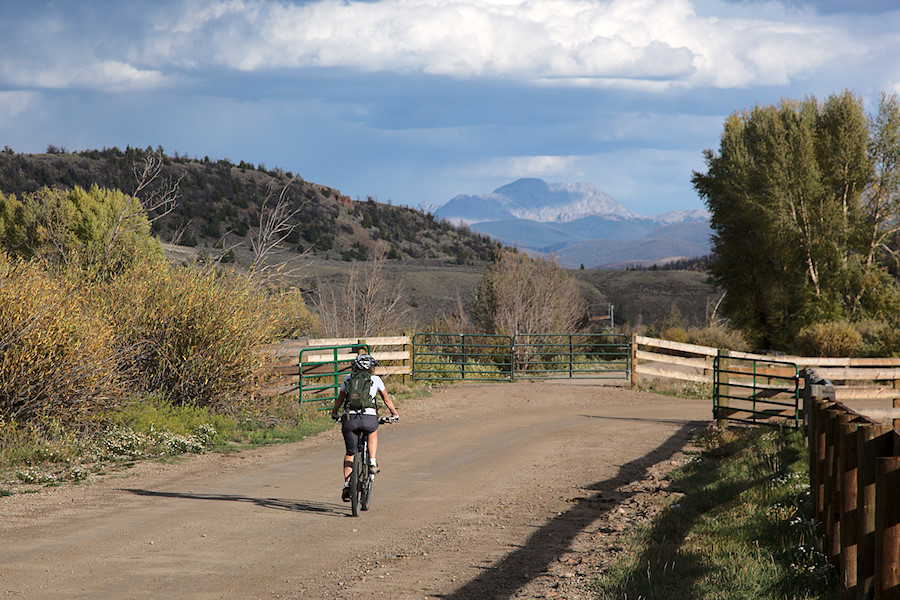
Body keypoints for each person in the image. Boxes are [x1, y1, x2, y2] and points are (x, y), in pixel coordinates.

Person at [330, 354, 399, 502]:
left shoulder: (348, 379)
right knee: (372, 431)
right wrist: (394, 413)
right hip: (368, 418)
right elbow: (386, 399)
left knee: (350, 453)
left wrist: (334, 413)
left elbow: (340, 399)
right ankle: (372, 462)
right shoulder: (376, 380)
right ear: (371, 368)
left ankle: (347, 484)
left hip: (349, 419)